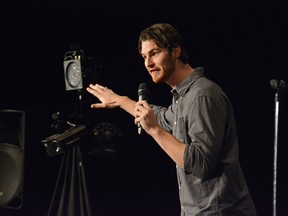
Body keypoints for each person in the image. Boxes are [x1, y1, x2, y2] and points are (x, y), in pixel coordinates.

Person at [86, 23, 257, 215]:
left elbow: (201, 165)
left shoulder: (202, 96)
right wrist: (120, 100)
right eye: (144, 56)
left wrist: (154, 131)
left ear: (175, 51)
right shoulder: (183, 96)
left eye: (155, 53)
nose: (148, 63)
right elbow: (161, 116)